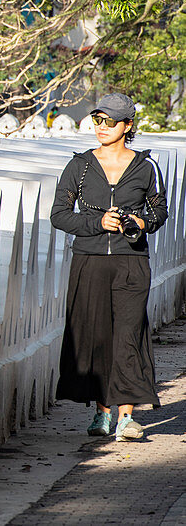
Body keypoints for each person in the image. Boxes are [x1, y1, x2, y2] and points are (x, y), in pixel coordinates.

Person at [50, 93, 168, 442]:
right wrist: (97, 223)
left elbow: (160, 211)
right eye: (97, 121)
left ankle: (126, 417)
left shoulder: (146, 167)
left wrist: (140, 223)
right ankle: (102, 412)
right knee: (97, 335)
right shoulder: (79, 166)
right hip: (89, 261)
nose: (101, 128)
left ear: (127, 126)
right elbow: (59, 214)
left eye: (110, 122)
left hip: (131, 262)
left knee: (129, 335)